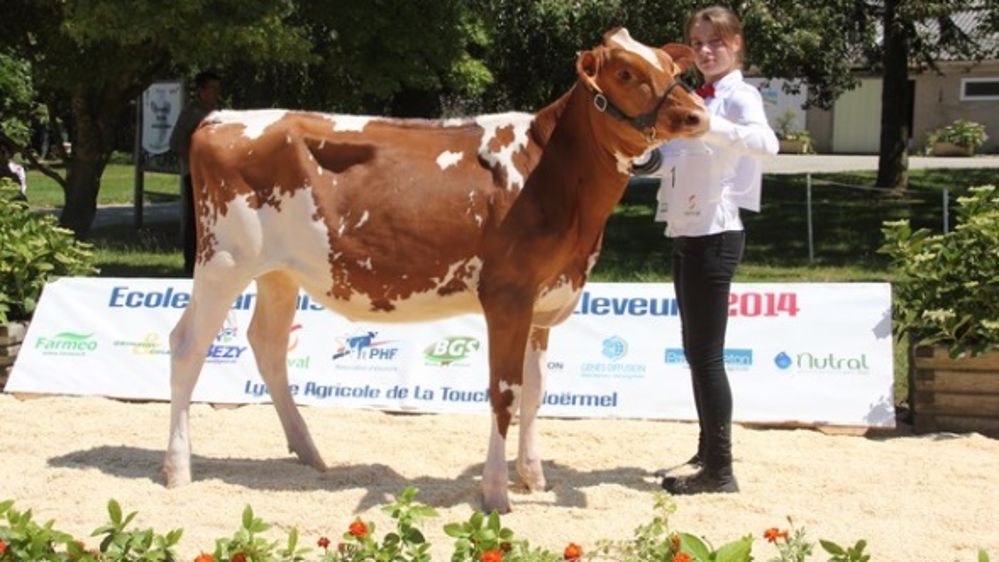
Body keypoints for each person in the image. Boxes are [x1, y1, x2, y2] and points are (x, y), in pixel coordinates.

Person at [634, 5, 778, 494]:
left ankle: (720, 470)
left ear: (735, 44)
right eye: (697, 44)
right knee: (696, 351)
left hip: (717, 232)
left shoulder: (740, 96)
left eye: (714, 42)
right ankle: (707, 450)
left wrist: (709, 125)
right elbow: (672, 157)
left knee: (707, 354)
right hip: (686, 229)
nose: (705, 51)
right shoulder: (696, 95)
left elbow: (766, 144)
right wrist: (643, 155)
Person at [169, 70, 221, 276]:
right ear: (201, 90)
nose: (216, 93)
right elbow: (176, 143)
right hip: (196, 176)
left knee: (214, 222)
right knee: (195, 221)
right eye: (213, 89)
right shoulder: (192, 112)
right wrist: (196, 162)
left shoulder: (218, 112)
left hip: (216, 178)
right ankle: (191, 266)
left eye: (218, 89)